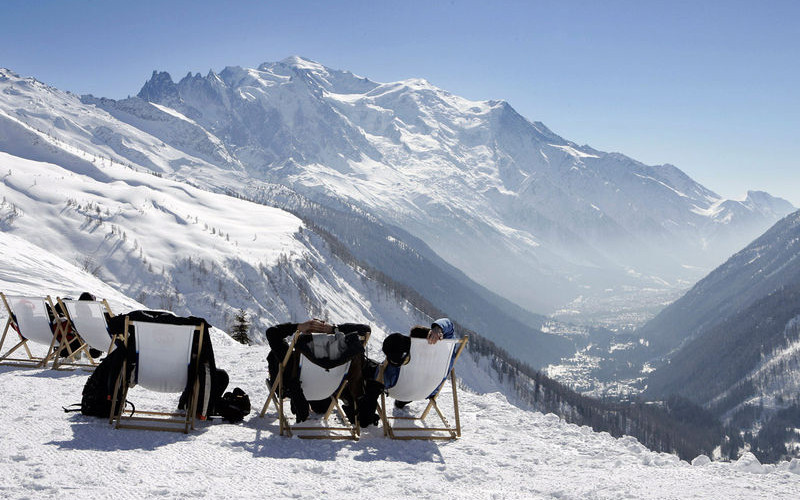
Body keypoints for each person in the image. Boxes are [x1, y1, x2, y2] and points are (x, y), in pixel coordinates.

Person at [265, 319, 371, 423]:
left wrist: (298, 326)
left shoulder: (292, 358)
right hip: (329, 391)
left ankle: (299, 402)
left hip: (299, 391)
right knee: (321, 408)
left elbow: (271, 332)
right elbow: (366, 330)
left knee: (274, 355)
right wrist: (334, 329)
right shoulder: (343, 354)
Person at [357, 318, 456, 426]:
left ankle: (353, 404)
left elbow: (382, 380)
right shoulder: (444, 354)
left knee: (368, 369)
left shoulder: (401, 365)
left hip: (399, 390)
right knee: (413, 377)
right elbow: (449, 325)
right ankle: (402, 402)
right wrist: (438, 328)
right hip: (427, 391)